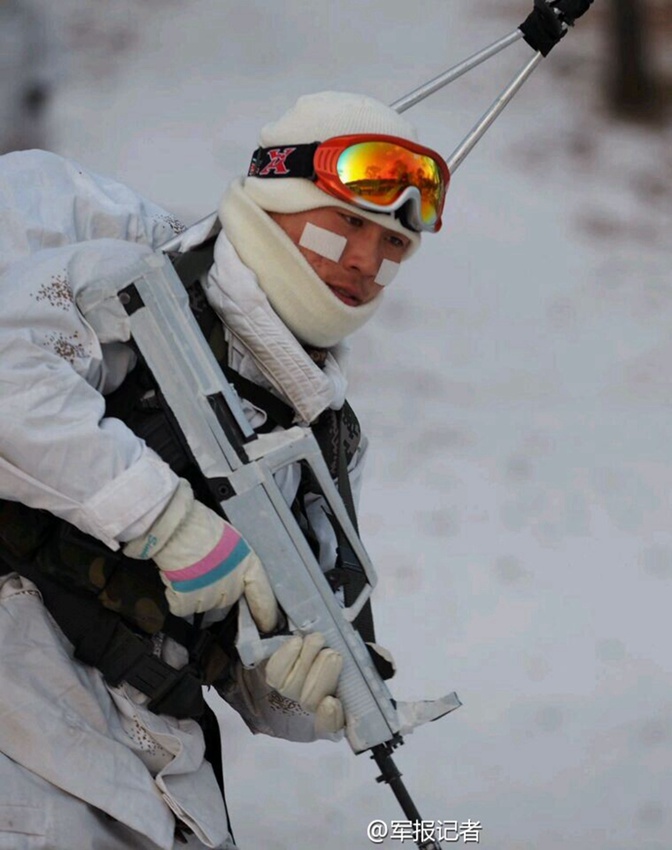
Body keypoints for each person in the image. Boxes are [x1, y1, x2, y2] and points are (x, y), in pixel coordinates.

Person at [0, 91, 450, 850]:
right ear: (279, 197)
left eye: (395, 246)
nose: (369, 264)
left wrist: (296, 690)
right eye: (349, 224)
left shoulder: (325, 436)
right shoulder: (134, 275)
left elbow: (261, 655)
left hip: (153, 762)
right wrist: (164, 519)